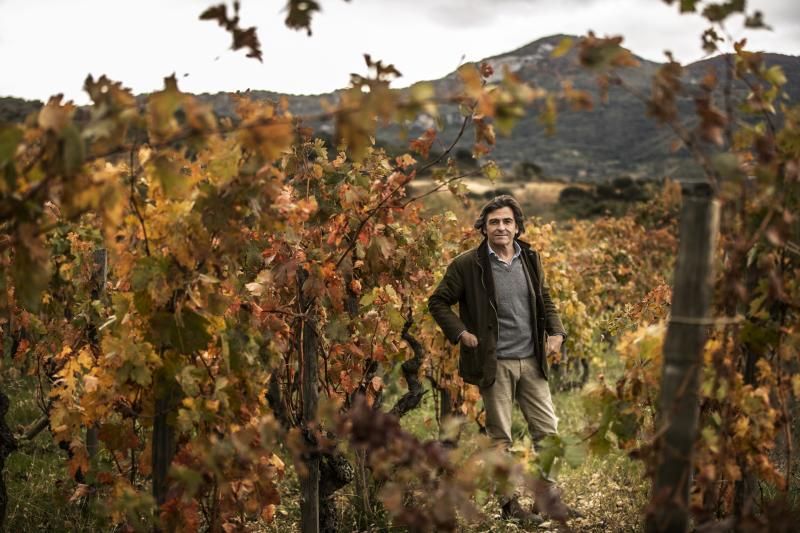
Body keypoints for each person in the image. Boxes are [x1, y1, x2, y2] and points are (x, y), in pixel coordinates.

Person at [428, 195, 567, 523]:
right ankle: (509, 506)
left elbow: (545, 298)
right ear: (484, 228)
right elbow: (438, 302)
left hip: (532, 360)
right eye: (494, 222)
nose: (501, 227)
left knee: (549, 433)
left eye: (507, 221)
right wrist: (461, 333)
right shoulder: (468, 264)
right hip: (496, 363)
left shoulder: (530, 257)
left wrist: (556, 332)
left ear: (517, 227)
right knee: (500, 438)